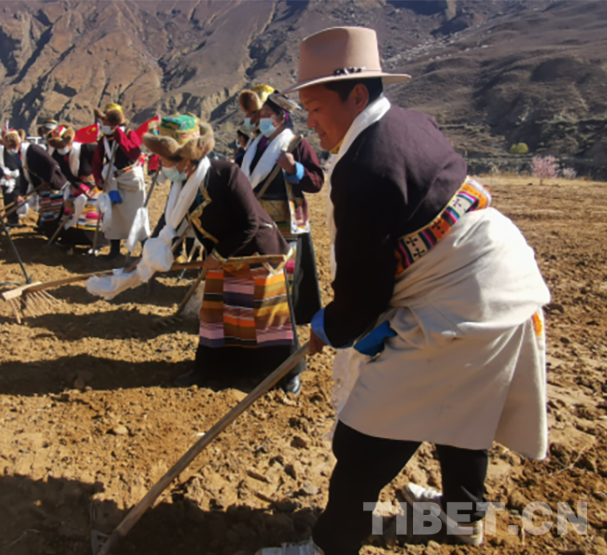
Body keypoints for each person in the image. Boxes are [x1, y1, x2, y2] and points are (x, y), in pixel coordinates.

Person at [255, 27, 551, 555]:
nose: (312, 123)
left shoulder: (367, 165)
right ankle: (463, 518)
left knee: (363, 435)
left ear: (358, 96)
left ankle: (329, 548)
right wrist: (350, 320)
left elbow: (365, 289)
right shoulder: (407, 124)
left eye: (318, 108)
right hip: (495, 277)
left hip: (466, 298)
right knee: (465, 414)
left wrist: (334, 326)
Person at [142, 114, 304, 394]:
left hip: (257, 254)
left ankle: (285, 372)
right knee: (217, 315)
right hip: (221, 255)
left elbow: (251, 223)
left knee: (266, 318)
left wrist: (220, 254)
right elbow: (170, 224)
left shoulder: (226, 174)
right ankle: (213, 368)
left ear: (184, 158)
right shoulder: (181, 184)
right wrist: (148, 253)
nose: (161, 165)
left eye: (165, 158)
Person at [240, 92, 324, 325]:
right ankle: (259, 309)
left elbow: (316, 181)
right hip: (257, 215)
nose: (263, 119)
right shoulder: (255, 145)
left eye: (268, 115)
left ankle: (284, 315)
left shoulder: (296, 144)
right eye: (262, 115)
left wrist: (294, 168)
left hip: (285, 220)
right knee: (258, 264)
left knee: (284, 266)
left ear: (281, 118)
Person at [91, 103, 146, 258]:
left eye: (107, 122)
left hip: (130, 180)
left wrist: (118, 135)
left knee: (135, 215)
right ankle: (114, 250)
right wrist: (98, 179)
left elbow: (133, 153)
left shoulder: (129, 133)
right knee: (113, 215)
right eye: (103, 122)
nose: (104, 125)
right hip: (112, 179)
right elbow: (96, 161)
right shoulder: (103, 140)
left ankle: (144, 246)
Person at [46, 125, 109, 250]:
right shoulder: (57, 156)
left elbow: (103, 160)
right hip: (76, 185)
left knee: (91, 214)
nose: (61, 148)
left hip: (95, 185)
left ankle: (96, 243)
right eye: (58, 147)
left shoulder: (87, 149)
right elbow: (66, 174)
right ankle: (71, 240)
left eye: (63, 145)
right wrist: (81, 188)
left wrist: (98, 181)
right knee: (71, 211)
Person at [0, 130, 27, 227]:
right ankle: (12, 219)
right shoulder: (0, 150)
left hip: (20, 177)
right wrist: (2, 173)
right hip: (8, 179)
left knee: (18, 198)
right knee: (10, 198)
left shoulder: (21, 148)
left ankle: (15, 217)